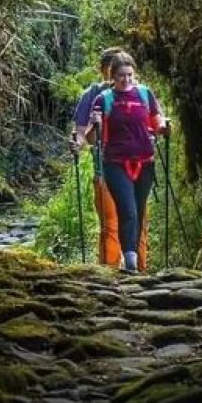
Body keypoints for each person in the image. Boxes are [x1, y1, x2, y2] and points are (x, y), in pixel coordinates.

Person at [90, 51, 170, 273]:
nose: (126, 80)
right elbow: (91, 138)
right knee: (128, 210)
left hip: (145, 162)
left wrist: (164, 127)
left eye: (130, 75)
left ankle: (132, 262)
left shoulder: (145, 94)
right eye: (121, 75)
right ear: (112, 76)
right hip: (115, 164)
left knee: (139, 210)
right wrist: (95, 123)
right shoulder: (103, 99)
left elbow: (157, 121)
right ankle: (131, 263)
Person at [70, 47, 125, 268]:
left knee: (137, 223)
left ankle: (138, 272)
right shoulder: (91, 95)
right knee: (110, 225)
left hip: (135, 169)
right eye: (110, 68)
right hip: (104, 169)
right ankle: (110, 274)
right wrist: (77, 143)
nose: (114, 74)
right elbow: (82, 133)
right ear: (102, 69)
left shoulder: (137, 93)